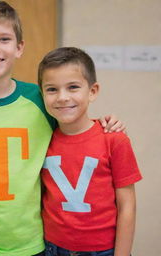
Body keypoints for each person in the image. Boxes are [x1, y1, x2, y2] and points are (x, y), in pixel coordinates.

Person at [0, 1, 125, 256]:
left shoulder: (39, 99)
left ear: (19, 48)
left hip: (37, 245)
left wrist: (105, 123)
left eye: (5, 39)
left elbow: (74, 123)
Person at [38, 47, 142, 256]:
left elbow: (127, 206)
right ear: (42, 94)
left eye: (73, 87)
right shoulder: (42, 140)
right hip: (52, 247)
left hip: (104, 250)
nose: (62, 97)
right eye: (52, 89)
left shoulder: (114, 139)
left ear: (92, 91)